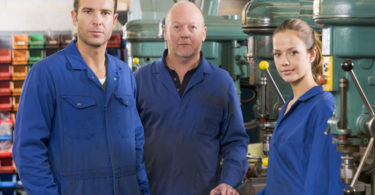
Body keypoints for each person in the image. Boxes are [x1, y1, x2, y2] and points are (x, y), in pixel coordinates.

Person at [12, 0, 149, 194]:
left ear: (114, 20)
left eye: (105, 13)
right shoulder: (46, 73)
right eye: (88, 11)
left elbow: (136, 143)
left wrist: (143, 189)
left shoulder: (125, 74)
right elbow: (28, 151)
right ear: (74, 17)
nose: (97, 20)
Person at [134, 2, 249, 195]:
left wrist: (228, 181)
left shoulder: (221, 83)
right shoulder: (140, 80)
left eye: (192, 27)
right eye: (177, 27)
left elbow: (235, 142)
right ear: (165, 31)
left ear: (203, 33)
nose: (185, 34)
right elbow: (125, 141)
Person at [259, 18, 345, 194]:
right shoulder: (289, 105)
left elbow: (324, 182)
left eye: (293, 53)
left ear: (311, 54)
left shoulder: (323, 106)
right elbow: (282, 177)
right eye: (278, 54)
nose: (284, 62)